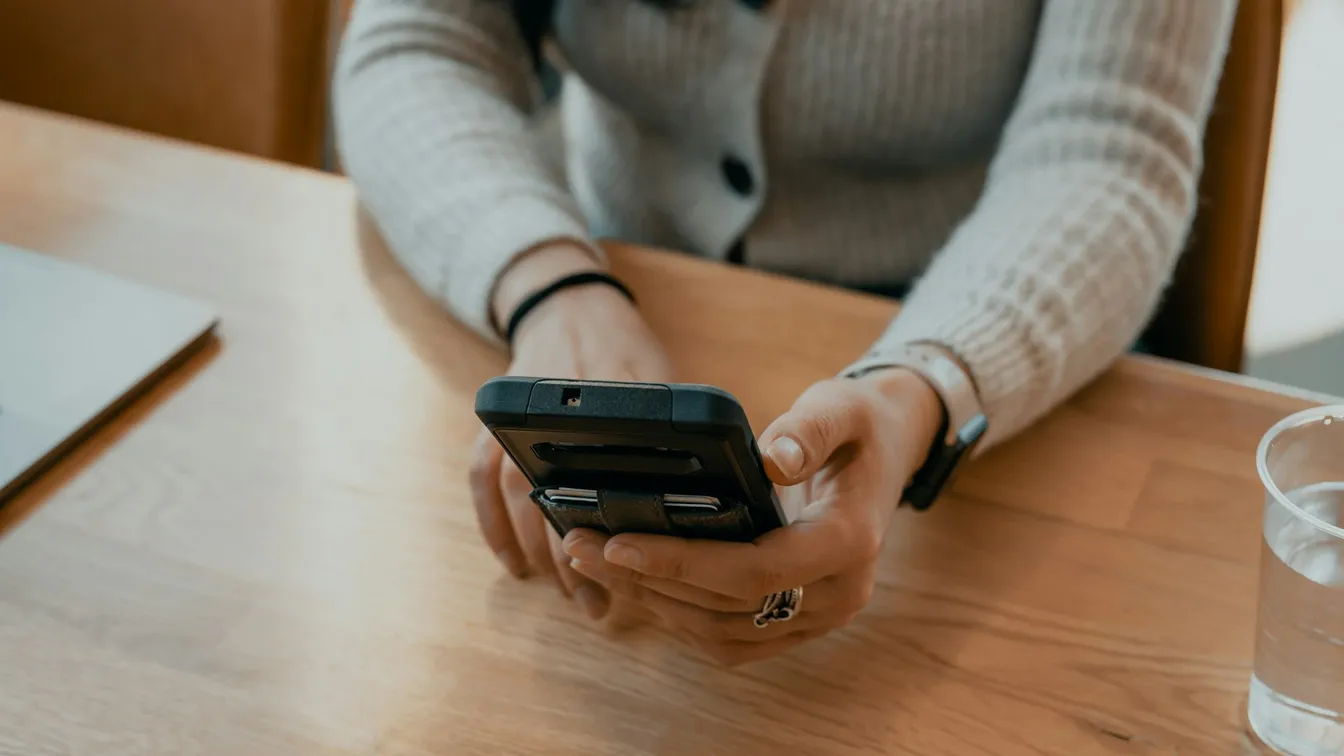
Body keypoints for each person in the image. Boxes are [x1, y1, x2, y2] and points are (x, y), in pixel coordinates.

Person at [334, 0, 1236, 665]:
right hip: (615, 276)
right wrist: (550, 282)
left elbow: (1110, 149)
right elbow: (417, 42)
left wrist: (922, 384)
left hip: (982, 349)